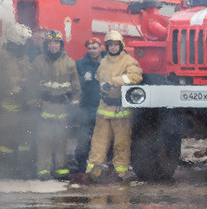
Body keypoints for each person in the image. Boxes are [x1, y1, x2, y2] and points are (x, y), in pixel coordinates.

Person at [84, 30, 142, 183]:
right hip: (104, 108)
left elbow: (136, 76)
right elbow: (98, 78)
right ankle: (93, 170)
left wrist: (115, 81)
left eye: (116, 45)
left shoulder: (129, 61)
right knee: (98, 142)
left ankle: (120, 172)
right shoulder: (104, 62)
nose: (113, 48)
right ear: (107, 47)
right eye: (111, 45)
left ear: (121, 45)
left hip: (120, 109)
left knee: (121, 143)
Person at [29, 30, 80, 180]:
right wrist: (34, 104)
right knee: (44, 140)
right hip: (44, 107)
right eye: (51, 43)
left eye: (57, 43)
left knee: (61, 141)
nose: (54, 46)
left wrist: (74, 107)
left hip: (62, 108)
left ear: (61, 45)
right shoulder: (38, 62)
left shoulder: (70, 63)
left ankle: (62, 171)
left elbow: (76, 88)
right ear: (46, 45)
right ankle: (43, 171)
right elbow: (31, 86)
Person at [0, 22, 35, 178]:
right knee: (5, 141)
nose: (26, 42)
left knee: (23, 140)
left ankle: (22, 169)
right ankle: (4, 169)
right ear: (16, 38)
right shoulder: (3, 58)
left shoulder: (24, 57)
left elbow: (29, 79)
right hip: (7, 107)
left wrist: (27, 96)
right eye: (24, 38)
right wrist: (14, 92)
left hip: (23, 106)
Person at [74, 37, 103, 172]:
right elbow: (74, 81)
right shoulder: (81, 64)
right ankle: (80, 165)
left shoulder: (107, 63)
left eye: (95, 48)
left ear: (100, 48)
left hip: (103, 106)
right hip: (86, 106)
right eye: (90, 48)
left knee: (101, 138)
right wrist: (83, 79)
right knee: (84, 136)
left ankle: (98, 165)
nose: (92, 51)